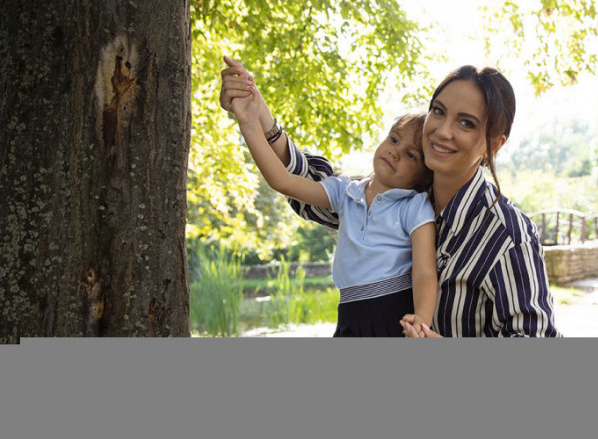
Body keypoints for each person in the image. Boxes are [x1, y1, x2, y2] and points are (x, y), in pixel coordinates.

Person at [220, 57, 559, 337]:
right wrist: (256, 114)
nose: (442, 131)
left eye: (466, 123)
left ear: (493, 145)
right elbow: (307, 183)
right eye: (438, 111)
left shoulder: (507, 235)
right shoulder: (396, 194)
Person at [229, 72, 438, 337]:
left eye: (410, 155)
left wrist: (421, 322)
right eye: (394, 139)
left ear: (423, 175)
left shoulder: (415, 206)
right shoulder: (345, 192)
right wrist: (249, 123)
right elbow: (283, 181)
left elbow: (424, 272)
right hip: (349, 315)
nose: (395, 152)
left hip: (394, 317)